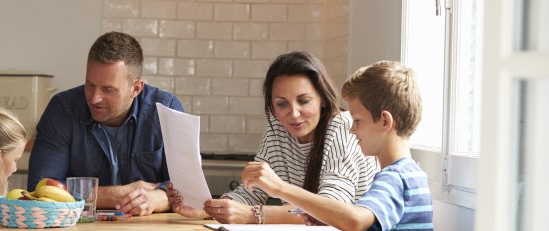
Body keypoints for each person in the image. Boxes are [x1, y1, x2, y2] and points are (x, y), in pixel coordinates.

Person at [167, 51, 379, 224]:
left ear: (323, 99)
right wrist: (209, 209)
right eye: (282, 104)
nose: (293, 114)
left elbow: (330, 210)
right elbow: (251, 193)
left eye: (304, 101)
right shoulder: (277, 130)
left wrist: (252, 215)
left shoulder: (342, 127)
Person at [241, 60, 434, 230]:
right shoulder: (409, 175)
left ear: (385, 121)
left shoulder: (396, 179)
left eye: (357, 121)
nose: (351, 130)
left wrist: (280, 188)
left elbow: (355, 221)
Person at [27, 31, 183, 216]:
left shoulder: (167, 110)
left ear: (136, 88)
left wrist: (159, 198)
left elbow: (187, 190)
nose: (94, 98)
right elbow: (39, 190)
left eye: (108, 89)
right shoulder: (62, 110)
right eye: (90, 85)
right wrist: (116, 195)